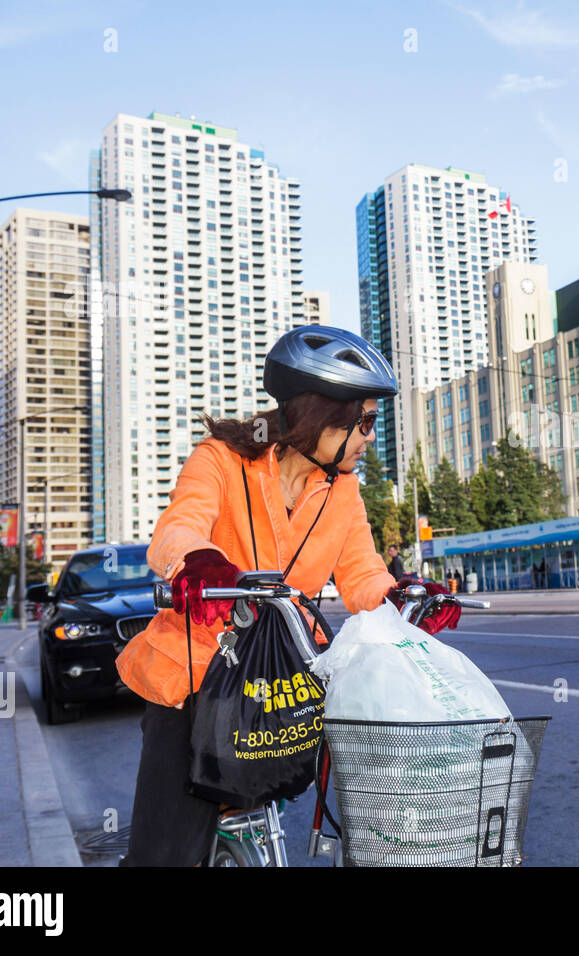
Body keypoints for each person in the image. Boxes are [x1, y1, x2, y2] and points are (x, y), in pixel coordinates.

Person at [116, 325, 410, 867]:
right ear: (323, 415)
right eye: (365, 421)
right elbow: (179, 526)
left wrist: (406, 594)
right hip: (197, 678)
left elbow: (362, 572)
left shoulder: (342, 491)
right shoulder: (222, 461)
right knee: (165, 854)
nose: (371, 436)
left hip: (282, 681)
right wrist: (198, 563)